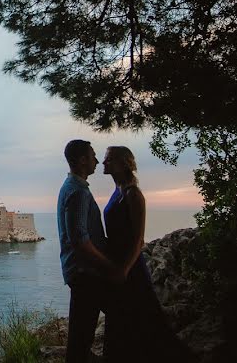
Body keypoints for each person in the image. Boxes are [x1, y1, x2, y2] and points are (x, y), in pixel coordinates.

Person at [101, 146, 195, 363]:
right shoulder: (119, 191)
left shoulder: (133, 195)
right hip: (118, 264)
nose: (104, 164)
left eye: (109, 160)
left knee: (144, 319)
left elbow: (138, 240)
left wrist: (123, 269)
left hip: (130, 269)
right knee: (125, 320)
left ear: (123, 163)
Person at [58, 139, 123, 362]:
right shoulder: (78, 192)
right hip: (85, 272)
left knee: (82, 332)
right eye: (93, 155)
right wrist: (110, 266)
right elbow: (80, 241)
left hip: (81, 271)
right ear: (83, 160)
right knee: (82, 335)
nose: (97, 160)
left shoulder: (72, 188)